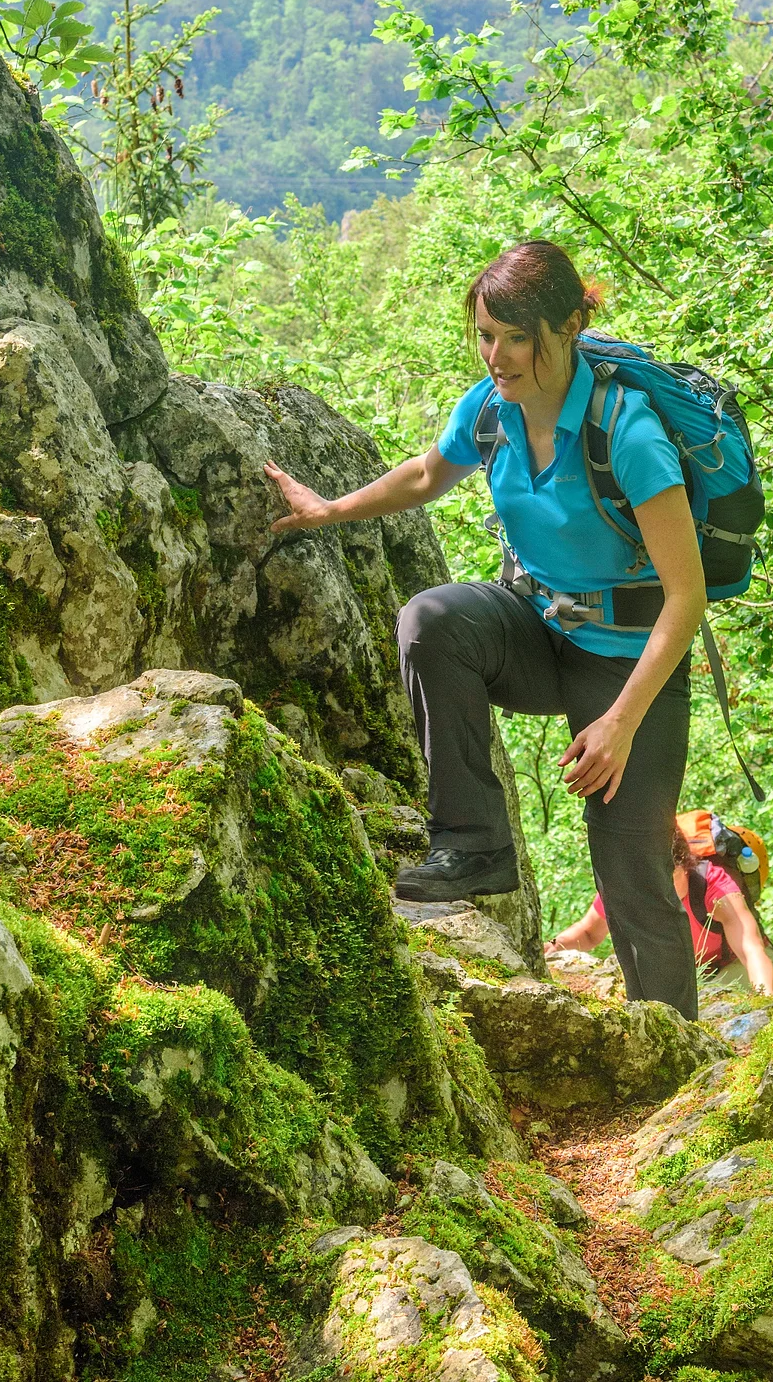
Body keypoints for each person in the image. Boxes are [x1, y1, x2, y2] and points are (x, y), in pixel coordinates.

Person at [264, 240, 727, 1021]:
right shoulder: (489, 413)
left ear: (569, 327)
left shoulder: (629, 435)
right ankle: (473, 843)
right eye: (485, 334)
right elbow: (423, 475)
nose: (498, 356)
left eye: (517, 337)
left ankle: (678, 1067)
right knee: (431, 620)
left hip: (626, 663)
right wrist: (329, 510)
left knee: (631, 871)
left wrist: (619, 724)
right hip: (539, 631)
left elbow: (687, 598)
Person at [545, 823, 773, 996]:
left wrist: (763, 1002)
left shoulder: (715, 885)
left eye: (671, 879)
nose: (661, 891)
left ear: (686, 866)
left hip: (733, 966)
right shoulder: (629, 886)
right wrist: (551, 948)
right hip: (688, 974)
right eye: (653, 883)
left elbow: (752, 951)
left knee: (710, 1006)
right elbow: (588, 933)